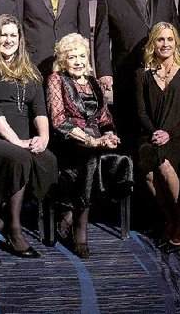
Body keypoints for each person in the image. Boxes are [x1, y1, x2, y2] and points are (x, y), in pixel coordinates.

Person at [0, 14, 58, 258]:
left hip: (22, 138)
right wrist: (17, 141)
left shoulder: (28, 68)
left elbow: (40, 108)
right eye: (4, 35)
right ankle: (13, 227)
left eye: (13, 35)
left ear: (20, 39)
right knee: (20, 157)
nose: (9, 40)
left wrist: (43, 137)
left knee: (47, 159)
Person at [46, 33, 134, 258]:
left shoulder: (94, 83)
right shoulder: (56, 79)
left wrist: (110, 135)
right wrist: (91, 140)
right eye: (72, 57)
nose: (78, 61)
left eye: (82, 56)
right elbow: (58, 121)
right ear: (63, 60)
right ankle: (80, 230)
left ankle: (68, 215)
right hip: (68, 140)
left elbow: (104, 118)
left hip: (95, 139)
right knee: (90, 158)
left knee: (122, 158)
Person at [94, 0, 178, 143]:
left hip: (162, 75)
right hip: (126, 73)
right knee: (129, 131)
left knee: (158, 128)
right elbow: (102, 36)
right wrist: (104, 72)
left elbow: (176, 32)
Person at [135, 22, 180, 253]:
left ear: (177, 43)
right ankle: (169, 219)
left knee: (164, 166)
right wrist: (155, 132)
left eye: (170, 40)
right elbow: (141, 112)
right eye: (160, 40)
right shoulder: (142, 74)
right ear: (153, 43)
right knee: (149, 173)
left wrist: (169, 133)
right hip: (151, 135)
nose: (165, 44)